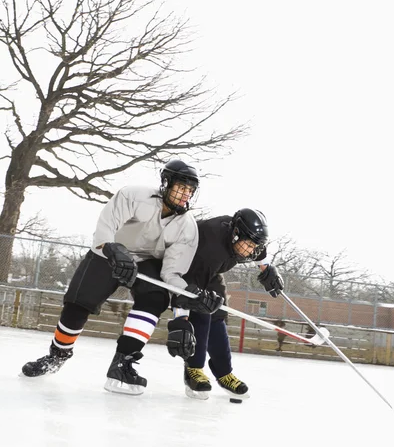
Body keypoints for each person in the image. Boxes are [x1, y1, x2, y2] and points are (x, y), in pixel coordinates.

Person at [21, 159, 223, 395]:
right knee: (78, 304)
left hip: (147, 262)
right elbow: (106, 225)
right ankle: (56, 356)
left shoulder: (187, 228)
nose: (185, 194)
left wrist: (191, 294)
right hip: (109, 252)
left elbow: (171, 272)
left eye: (190, 190)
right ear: (166, 183)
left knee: (156, 299)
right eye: (181, 187)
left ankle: (122, 363)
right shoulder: (133, 196)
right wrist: (112, 247)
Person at [165, 208, 284, 400]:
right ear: (236, 235)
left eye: (256, 246)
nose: (252, 251)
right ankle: (193, 371)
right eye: (249, 245)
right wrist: (181, 319)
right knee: (202, 311)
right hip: (187, 266)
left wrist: (267, 269)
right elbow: (184, 290)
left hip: (211, 271)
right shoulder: (212, 245)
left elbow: (258, 249)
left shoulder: (246, 239)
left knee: (218, 315)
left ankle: (224, 373)